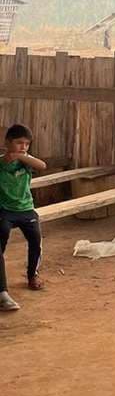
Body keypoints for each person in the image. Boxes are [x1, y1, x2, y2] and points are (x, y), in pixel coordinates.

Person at [0, 124, 47, 311]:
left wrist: (21, 156)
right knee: (0, 241)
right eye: (19, 143)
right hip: (4, 211)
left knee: (36, 240)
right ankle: (1, 284)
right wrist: (7, 158)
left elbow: (42, 165)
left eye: (27, 144)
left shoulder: (26, 163)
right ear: (7, 142)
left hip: (26, 209)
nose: (24, 147)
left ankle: (32, 275)